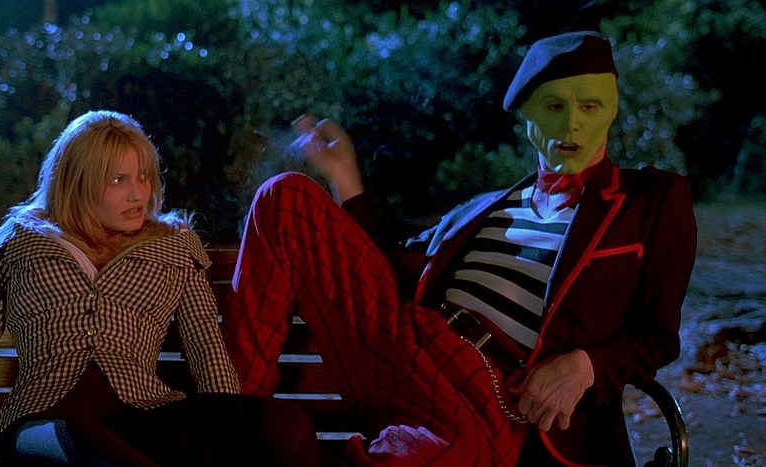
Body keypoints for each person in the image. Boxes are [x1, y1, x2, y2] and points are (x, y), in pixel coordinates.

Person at [222, 31, 697, 466]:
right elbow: (386, 272)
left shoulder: (651, 201)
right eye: (554, 106)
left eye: (590, 106)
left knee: (442, 454)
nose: (572, 123)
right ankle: (227, 420)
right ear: (528, 115)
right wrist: (346, 180)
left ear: (611, 109)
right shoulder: (482, 209)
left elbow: (657, 337)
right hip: (405, 337)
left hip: (491, 398)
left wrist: (585, 366)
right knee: (285, 196)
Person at [0, 110, 319, 466]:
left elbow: (207, 350)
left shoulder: (174, 248)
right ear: (78, 183)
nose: (138, 194)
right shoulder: (18, 245)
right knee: (77, 444)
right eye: (119, 180)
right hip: (44, 421)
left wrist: (229, 426)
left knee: (285, 427)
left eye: (144, 176)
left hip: (141, 412)